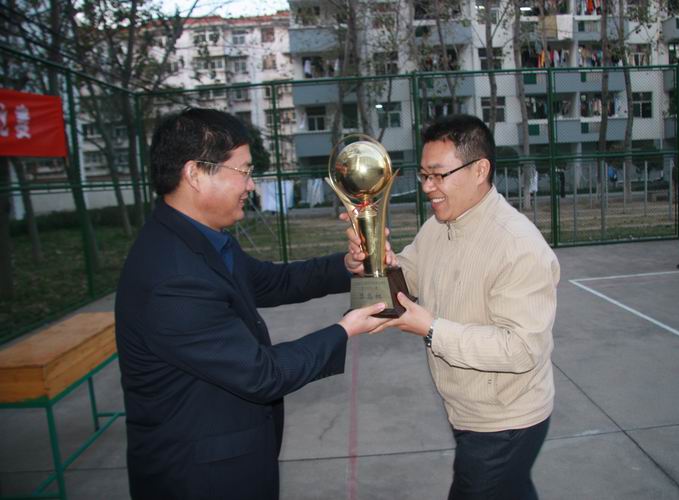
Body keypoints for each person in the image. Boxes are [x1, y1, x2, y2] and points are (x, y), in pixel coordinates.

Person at [115, 108, 388, 500]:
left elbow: (274, 281)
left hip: (230, 459)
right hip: (200, 478)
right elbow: (262, 374)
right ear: (195, 174)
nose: (251, 185)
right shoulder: (171, 276)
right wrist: (345, 329)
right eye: (243, 171)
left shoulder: (200, 239)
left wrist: (347, 265)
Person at [346, 114, 559, 499]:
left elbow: (522, 348)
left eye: (439, 175)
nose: (428, 187)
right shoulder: (440, 225)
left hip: (504, 422)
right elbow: (408, 277)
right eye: (424, 175)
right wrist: (374, 261)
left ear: (480, 170)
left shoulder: (518, 247)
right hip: (467, 409)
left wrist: (432, 329)